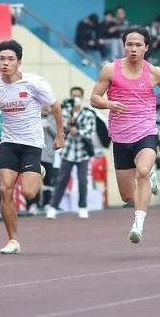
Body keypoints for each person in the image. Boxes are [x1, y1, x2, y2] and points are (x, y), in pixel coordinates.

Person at [91, 26, 160, 244]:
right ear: (124, 46)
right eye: (129, 44)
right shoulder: (110, 70)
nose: (133, 48)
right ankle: (149, 176)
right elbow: (94, 98)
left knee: (142, 170)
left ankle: (138, 224)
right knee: (128, 196)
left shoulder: (155, 72)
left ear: (146, 47)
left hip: (145, 132)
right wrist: (110, 103)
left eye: (138, 45)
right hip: (120, 137)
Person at [0, 40, 64, 254]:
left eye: (10, 59)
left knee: (29, 193)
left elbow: (55, 106)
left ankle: (38, 171)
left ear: (19, 62)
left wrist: (60, 134)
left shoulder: (34, 83)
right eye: (2, 59)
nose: (5, 63)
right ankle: (13, 240)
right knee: (4, 189)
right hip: (8, 143)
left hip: (31, 144)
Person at [47, 87, 97, 219]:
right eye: (73, 96)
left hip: (83, 152)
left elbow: (90, 132)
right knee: (61, 180)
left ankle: (82, 207)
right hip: (67, 151)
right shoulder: (64, 112)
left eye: (78, 96)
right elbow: (60, 129)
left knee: (82, 181)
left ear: (82, 97)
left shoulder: (88, 113)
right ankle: (53, 207)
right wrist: (68, 126)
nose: (76, 99)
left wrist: (78, 131)